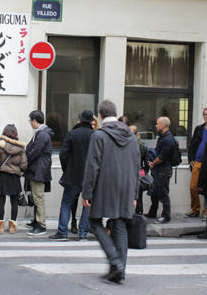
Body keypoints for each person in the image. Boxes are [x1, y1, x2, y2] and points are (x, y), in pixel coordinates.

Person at [82, 100, 140, 285]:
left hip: (105, 185)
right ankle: (120, 270)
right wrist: (135, 194)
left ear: (100, 115)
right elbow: (137, 165)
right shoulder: (131, 136)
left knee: (94, 221)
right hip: (127, 186)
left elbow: (93, 166)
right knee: (120, 224)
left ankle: (115, 262)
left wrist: (87, 193)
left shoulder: (99, 135)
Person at [49, 110, 93, 241]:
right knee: (87, 204)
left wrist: (67, 169)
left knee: (67, 203)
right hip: (89, 176)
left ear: (79, 120)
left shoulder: (72, 134)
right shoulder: (95, 135)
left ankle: (62, 232)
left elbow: (63, 154)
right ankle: (83, 232)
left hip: (73, 175)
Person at [0, 124, 27, 234]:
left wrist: (0, 168)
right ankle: (12, 227)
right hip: (14, 178)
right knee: (14, 202)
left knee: (1, 202)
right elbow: (24, 165)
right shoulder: (21, 148)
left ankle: (1, 227)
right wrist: (17, 171)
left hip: (2, 176)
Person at [25, 110, 54, 236]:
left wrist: (25, 160)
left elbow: (35, 151)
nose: (30, 123)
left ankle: (41, 225)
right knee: (37, 197)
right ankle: (37, 221)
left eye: (30, 120)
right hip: (37, 169)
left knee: (38, 198)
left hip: (39, 170)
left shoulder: (42, 135)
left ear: (35, 121)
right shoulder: (41, 133)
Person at [186, 107, 207, 218]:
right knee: (193, 187)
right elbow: (192, 144)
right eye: (206, 114)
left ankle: (206, 211)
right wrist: (191, 159)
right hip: (197, 162)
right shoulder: (199, 129)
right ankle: (195, 209)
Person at [146, 116, 175, 224]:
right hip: (159, 169)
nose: (156, 125)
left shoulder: (167, 139)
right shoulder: (162, 137)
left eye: (158, 123)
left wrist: (153, 163)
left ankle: (166, 215)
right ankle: (153, 211)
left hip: (164, 169)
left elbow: (162, 156)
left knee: (163, 192)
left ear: (163, 125)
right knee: (155, 191)